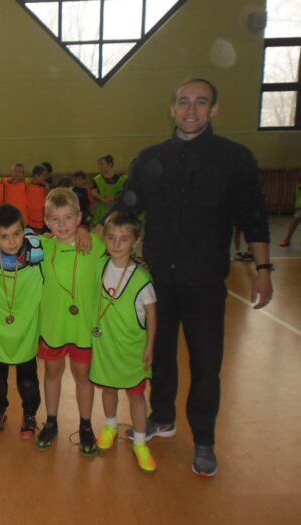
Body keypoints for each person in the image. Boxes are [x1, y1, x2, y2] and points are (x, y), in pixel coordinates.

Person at [108, 78, 272, 476]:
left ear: (214, 109)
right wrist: (87, 235)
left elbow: (254, 217)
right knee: (158, 356)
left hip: (206, 283)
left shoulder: (234, 158)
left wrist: (263, 269)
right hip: (158, 282)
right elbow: (125, 209)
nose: (191, 110)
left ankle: (204, 441)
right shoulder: (150, 159)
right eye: (183, 102)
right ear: (172, 108)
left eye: (201, 102)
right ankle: (162, 418)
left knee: (206, 365)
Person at [36, 188, 105, 453]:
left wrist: (85, 231)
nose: (62, 225)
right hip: (53, 326)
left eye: (68, 218)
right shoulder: (42, 247)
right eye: (55, 219)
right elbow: (9, 239)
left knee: (83, 375)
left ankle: (86, 425)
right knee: (52, 372)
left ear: (79, 217)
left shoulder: (94, 245)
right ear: (46, 221)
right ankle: (51, 421)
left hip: (83, 327)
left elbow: (120, 247)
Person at [89, 211, 158, 472]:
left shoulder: (141, 278)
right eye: (111, 237)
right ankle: (110, 426)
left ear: (136, 241)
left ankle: (140, 442)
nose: (116, 244)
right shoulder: (99, 265)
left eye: (124, 239)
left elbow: (152, 314)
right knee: (108, 389)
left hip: (132, 348)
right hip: (106, 345)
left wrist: (150, 346)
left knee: (136, 395)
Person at [0, 204, 43, 439]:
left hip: (26, 332)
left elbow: (63, 240)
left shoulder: (38, 252)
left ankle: (30, 415)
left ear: (24, 230)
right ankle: (0, 412)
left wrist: (83, 231)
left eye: (17, 233)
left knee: (28, 382)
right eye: (4, 237)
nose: (12, 241)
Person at [91, 155, 126, 227]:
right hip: (100, 213)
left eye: (102, 164)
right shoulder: (97, 179)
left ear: (110, 165)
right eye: (99, 165)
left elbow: (124, 194)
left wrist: (114, 198)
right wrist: (104, 200)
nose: (100, 167)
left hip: (115, 212)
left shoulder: (122, 179)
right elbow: (93, 193)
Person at [25, 164, 50, 232]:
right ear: (36, 176)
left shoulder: (44, 187)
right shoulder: (27, 186)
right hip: (30, 221)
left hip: (41, 221)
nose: (45, 178)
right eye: (43, 176)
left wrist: (47, 190)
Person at [279, 171, 301, 247]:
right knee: (294, 222)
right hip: (300, 207)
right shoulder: (299, 185)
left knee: (295, 222)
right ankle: (288, 238)